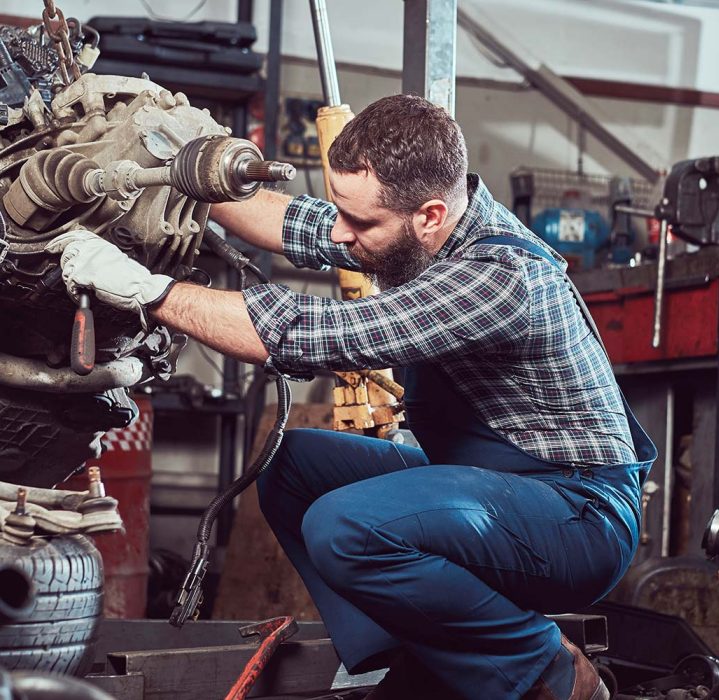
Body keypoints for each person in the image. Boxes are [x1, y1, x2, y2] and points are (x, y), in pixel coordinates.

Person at [48, 94, 655, 700]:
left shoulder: (498, 276)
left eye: (360, 223)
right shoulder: (415, 230)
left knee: (345, 528)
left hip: (577, 516)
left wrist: (146, 291)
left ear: (429, 215)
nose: (342, 234)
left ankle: (550, 672)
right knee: (289, 465)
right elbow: (292, 221)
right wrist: (186, 174)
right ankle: (413, 652)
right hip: (494, 479)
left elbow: (310, 334)